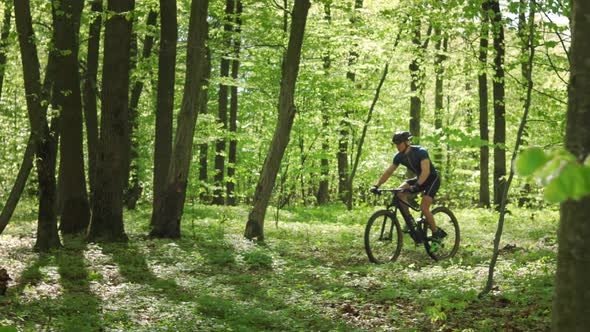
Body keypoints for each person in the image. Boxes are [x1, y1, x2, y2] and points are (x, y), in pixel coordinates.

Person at [369, 131, 446, 243]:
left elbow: (426, 171)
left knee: (424, 207)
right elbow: (388, 172)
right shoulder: (399, 157)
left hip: (432, 179)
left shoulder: (421, 152)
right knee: (400, 193)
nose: (397, 146)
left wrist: (417, 186)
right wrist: (377, 185)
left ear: (406, 142)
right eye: (395, 144)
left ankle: (436, 233)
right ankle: (410, 221)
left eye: (399, 143)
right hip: (419, 179)